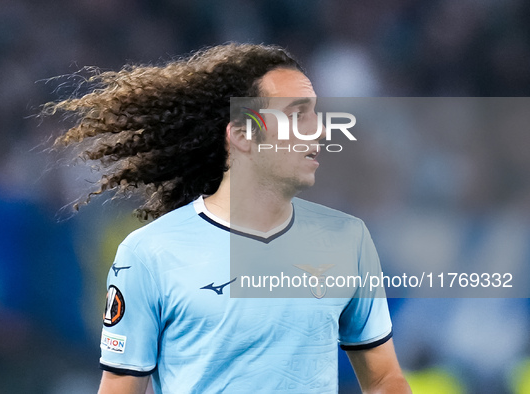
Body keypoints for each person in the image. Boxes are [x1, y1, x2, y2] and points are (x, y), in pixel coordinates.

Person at [44, 43, 411, 393]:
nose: (318, 130)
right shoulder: (149, 253)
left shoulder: (347, 239)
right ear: (242, 136)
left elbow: (382, 378)